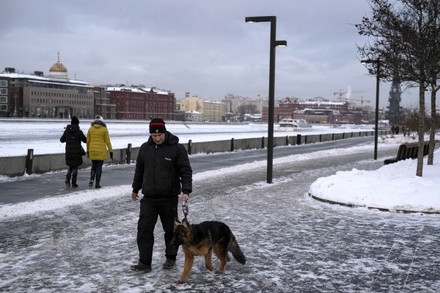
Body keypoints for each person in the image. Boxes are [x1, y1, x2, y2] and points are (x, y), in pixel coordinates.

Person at [130, 118, 192, 273]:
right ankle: (144, 262)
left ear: (165, 133)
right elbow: (139, 171)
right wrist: (135, 188)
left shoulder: (177, 149)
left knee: (170, 231)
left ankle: (170, 258)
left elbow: (185, 170)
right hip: (149, 198)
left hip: (169, 198)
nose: (157, 138)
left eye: (160, 135)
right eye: (154, 136)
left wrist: (186, 190)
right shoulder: (145, 148)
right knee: (144, 229)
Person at [86, 115, 113, 189]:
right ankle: (97, 183)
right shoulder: (104, 129)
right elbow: (108, 142)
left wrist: (87, 150)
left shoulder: (90, 129)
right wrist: (111, 151)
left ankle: (91, 179)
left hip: (92, 150)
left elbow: (88, 141)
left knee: (93, 166)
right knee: (99, 167)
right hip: (101, 150)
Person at [60, 116, 87, 187]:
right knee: (75, 167)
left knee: (70, 166)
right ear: (78, 123)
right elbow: (85, 140)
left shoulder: (67, 131)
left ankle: (67, 179)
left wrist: (68, 139)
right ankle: (74, 182)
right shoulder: (79, 132)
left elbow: (62, 140)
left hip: (69, 152)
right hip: (77, 152)